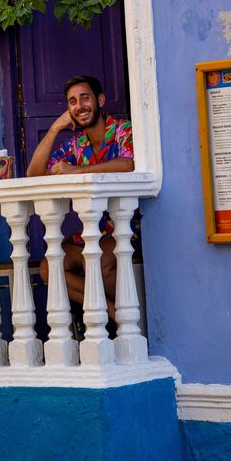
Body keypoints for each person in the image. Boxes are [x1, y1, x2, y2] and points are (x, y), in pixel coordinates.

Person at [27, 75, 134, 323]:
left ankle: (123, 324)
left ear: (100, 100)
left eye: (84, 98)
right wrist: (55, 128)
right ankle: (111, 312)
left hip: (127, 228)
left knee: (104, 262)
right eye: (72, 102)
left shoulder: (122, 130)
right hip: (92, 231)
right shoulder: (76, 145)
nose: (79, 106)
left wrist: (77, 172)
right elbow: (34, 173)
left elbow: (127, 163)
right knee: (49, 268)